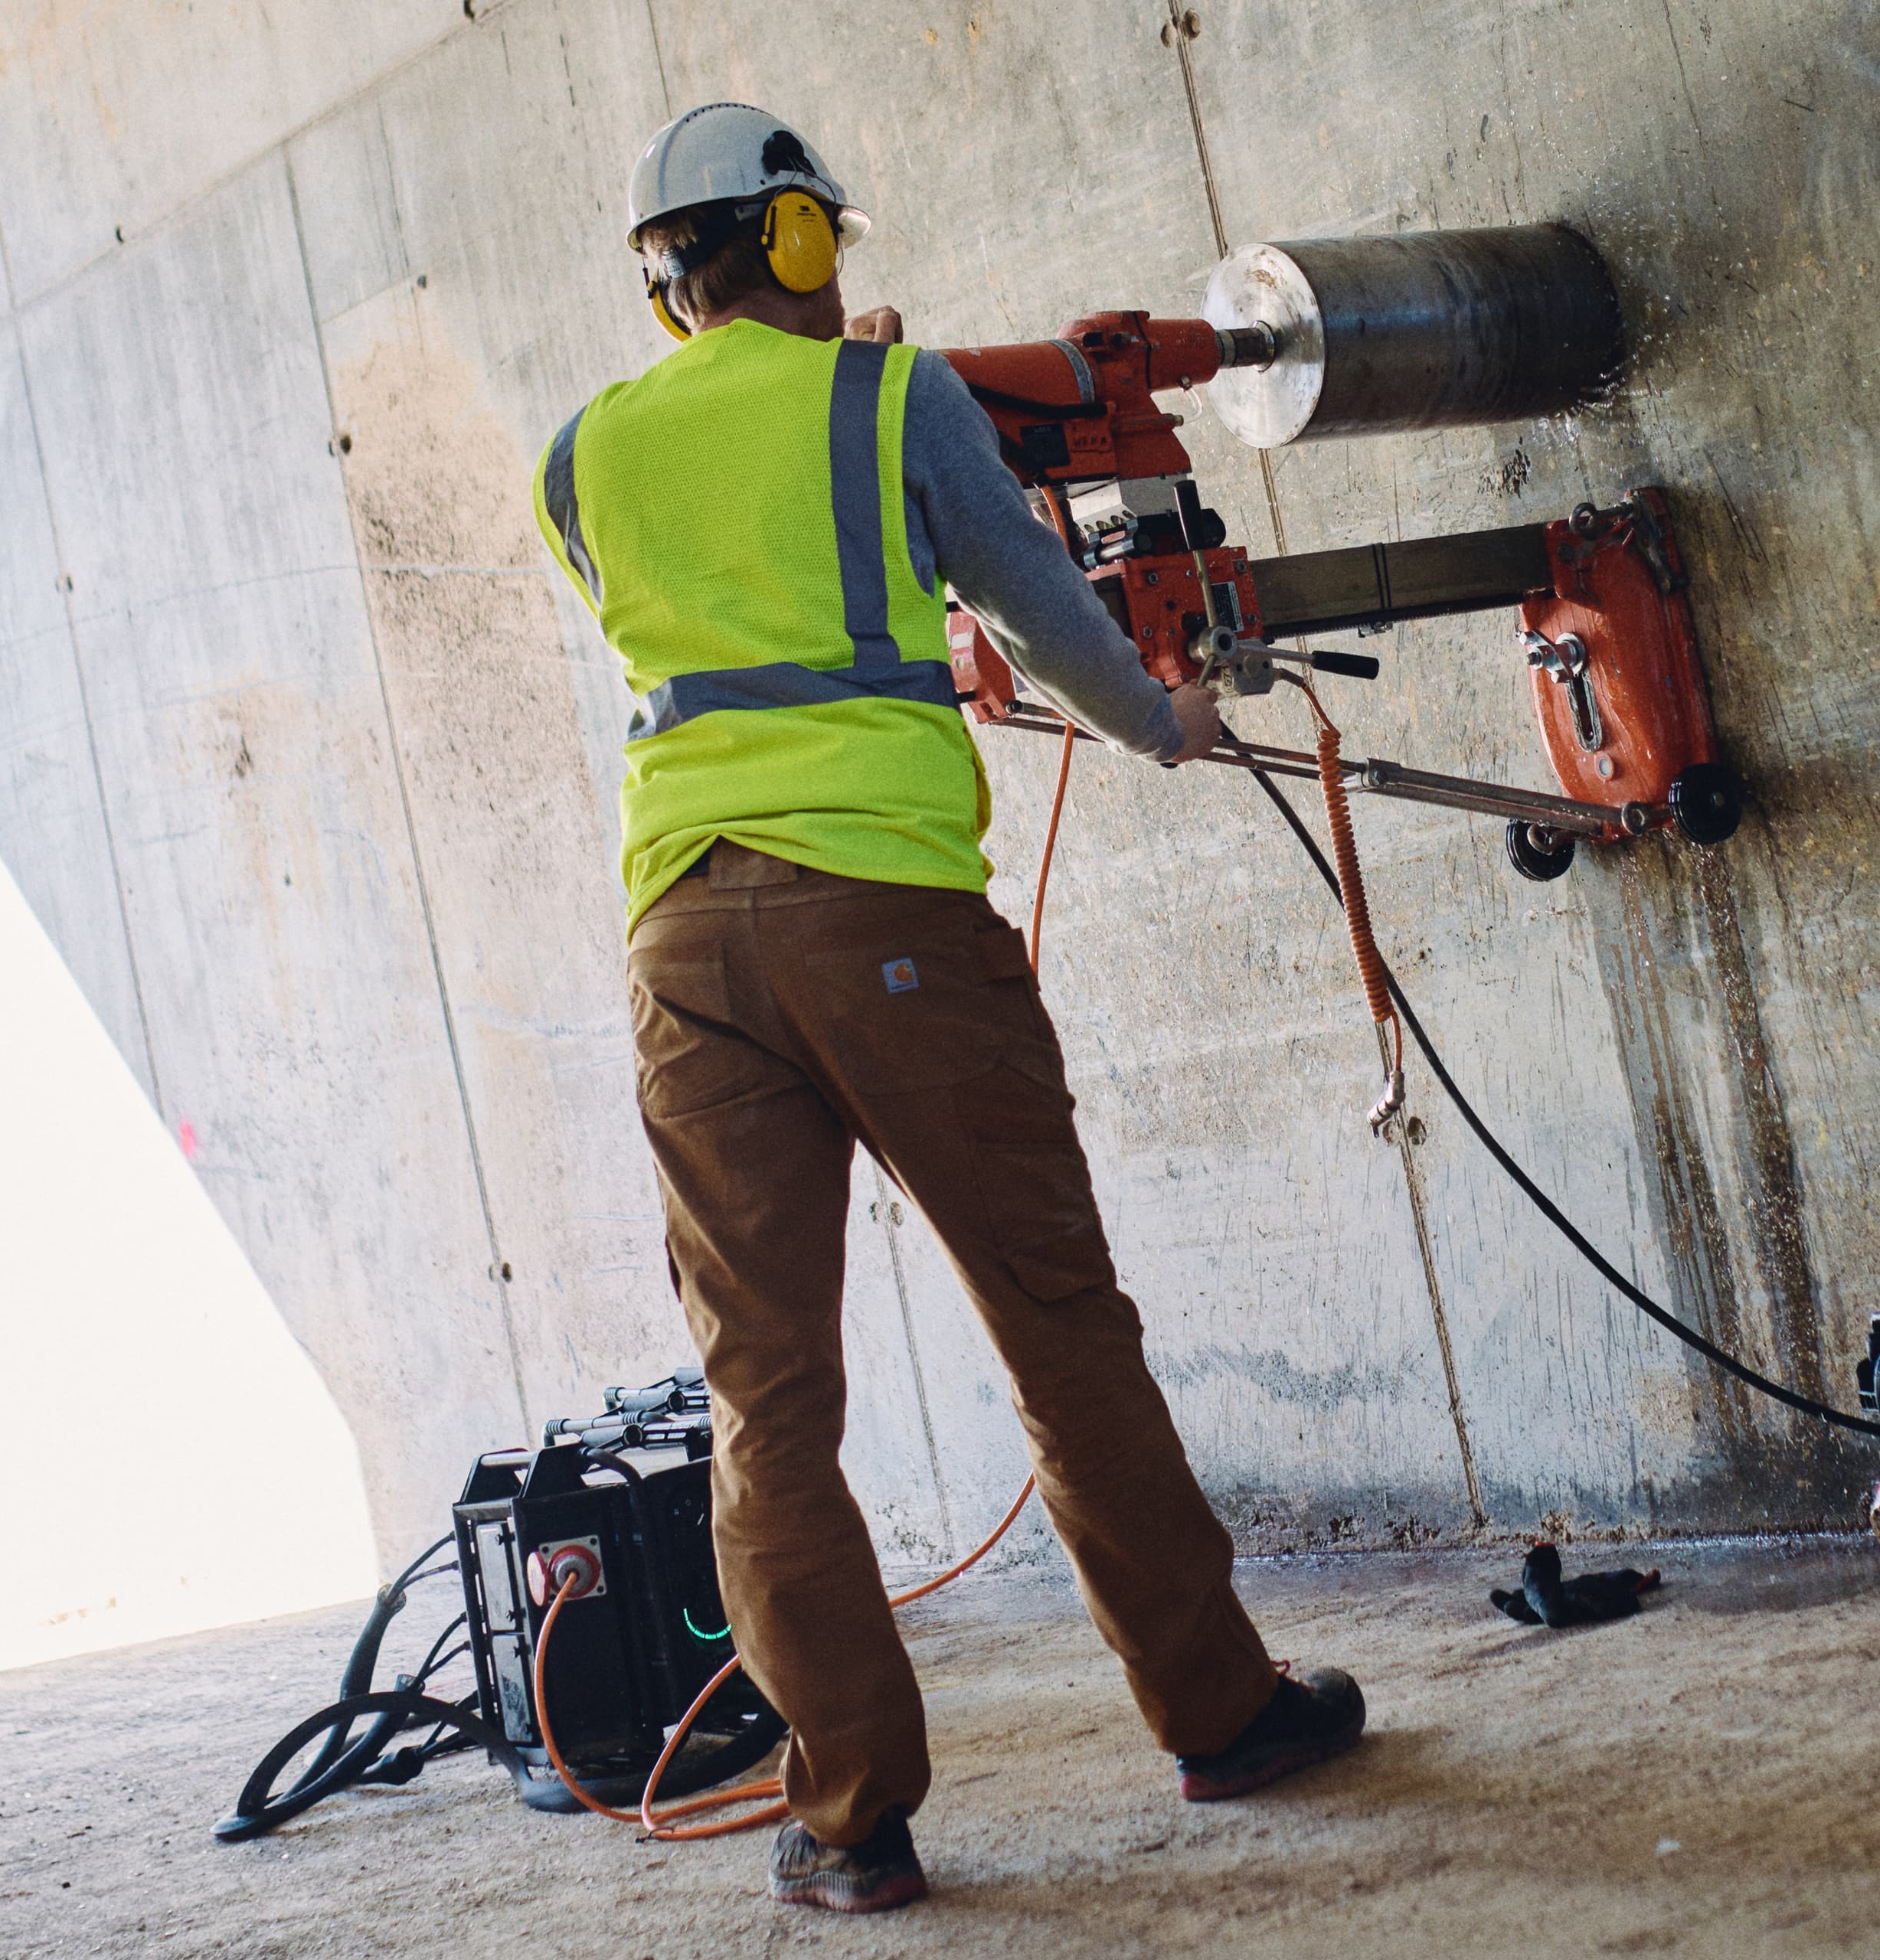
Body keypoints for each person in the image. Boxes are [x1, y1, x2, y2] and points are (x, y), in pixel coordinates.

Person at [530, 103, 1365, 1917]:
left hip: (682, 939)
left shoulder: (576, 455)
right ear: (802, 243)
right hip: (886, 916)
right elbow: (1042, 606)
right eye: (831, 237)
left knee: (766, 1400)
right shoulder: (894, 405)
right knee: (1058, 1324)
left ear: (665, 286)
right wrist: (1167, 721)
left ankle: (849, 1824)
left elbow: (704, 614)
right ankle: (1221, 1714)